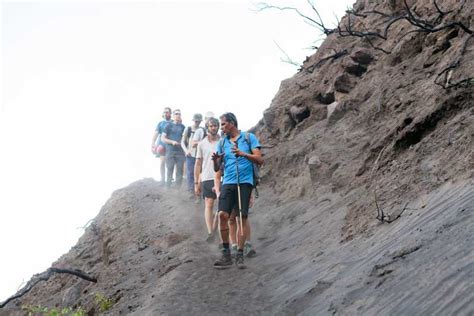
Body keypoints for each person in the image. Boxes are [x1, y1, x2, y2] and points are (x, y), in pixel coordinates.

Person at [211, 112, 263, 269]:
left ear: (232, 123)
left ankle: (239, 254)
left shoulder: (249, 138)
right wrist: (216, 162)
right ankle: (226, 253)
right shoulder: (222, 143)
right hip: (228, 182)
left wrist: (242, 154)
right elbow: (217, 169)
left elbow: (260, 159)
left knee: (242, 218)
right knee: (222, 215)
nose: (222, 127)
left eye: (223, 124)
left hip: (244, 182)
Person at [194, 117, 220, 241]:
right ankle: (210, 232)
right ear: (207, 127)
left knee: (223, 206)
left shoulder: (223, 141)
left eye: (215, 125)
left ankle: (215, 226)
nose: (213, 127)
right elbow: (198, 164)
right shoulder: (201, 144)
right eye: (211, 126)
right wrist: (196, 182)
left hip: (222, 177)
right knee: (209, 204)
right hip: (207, 177)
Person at [162, 109, 186, 188]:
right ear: (173, 115)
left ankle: (178, 190)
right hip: (170, 151)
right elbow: (163, 138)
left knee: (179, 171)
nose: (178, 115)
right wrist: (172, 142)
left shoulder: (183, 127)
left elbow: (186, 139)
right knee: (170, 169)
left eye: (179, 114)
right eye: (176, 114)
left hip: (180, 152)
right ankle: (167, 188)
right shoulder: (168, 125)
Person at [182, 113, 203, 196]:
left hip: (199, 154)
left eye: (199, 121)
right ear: (194, 120)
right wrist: (186, 151)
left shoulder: (203, 130)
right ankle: (191, 191)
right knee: (190, 172)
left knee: (199, 172)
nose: (198, 122)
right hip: (190, 154)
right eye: (196, 121)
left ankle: (199, 190)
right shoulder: (188, 129)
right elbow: (182, 141)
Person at [151, 107, 172, 184]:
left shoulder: (173, 122)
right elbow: (156, 134)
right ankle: (162, 179)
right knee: (162, 162)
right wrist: (153, 144)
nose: (165, 113)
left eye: (167, 112)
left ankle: (171, 178)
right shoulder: (160, 123)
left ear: (170, 113)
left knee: (171, 163)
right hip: (162, 145)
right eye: (164, 112)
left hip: (171, 146)